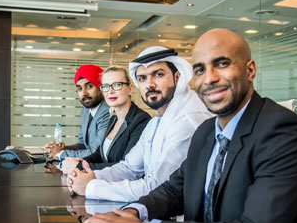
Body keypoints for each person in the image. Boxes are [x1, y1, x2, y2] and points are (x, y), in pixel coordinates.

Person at [75, 28, 297, 223]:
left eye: (222, 64)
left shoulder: (283, 132)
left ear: (250, 70)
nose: (209, 79)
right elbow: (174, 190)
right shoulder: (207, 131)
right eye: (200, 70)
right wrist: (130, 213)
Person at [67, 46, 211, 202]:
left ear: (177, 77)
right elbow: (129, 168)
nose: (150, 84)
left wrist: (90, 187)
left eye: (158, 74)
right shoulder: (156, 121)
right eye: (142, 78)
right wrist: (89, 176)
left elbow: (158, 188)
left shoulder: (186, 120)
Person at [60, 66, 151, 174]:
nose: (110, 91)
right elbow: (99, 154)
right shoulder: (113, 118)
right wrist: (79, 161)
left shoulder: (141, 120)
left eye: (117, 85)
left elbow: (125, 167)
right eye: (105, 86)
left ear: (130, 89)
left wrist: (79, 166)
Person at [44, 64, 110, 161]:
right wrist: (61, 149)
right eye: (79, 88)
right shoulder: (85, 111)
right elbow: (83, 145)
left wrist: (60, 154)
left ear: (101, 87)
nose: (84, 93)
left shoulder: (108, 111)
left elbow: (96, 152)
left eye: (89, 86)